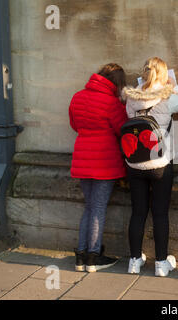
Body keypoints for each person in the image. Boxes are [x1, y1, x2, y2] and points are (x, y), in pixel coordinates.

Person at [122, 57, 178, 277]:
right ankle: (161, 264)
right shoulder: (168, 96)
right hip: (160, 164)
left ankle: (134, 262)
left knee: (137, 212)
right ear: (163, 75)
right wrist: (174, 86)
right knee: (160, 214)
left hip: (134, 163)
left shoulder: (131, 98)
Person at [69, 63, 128, 272]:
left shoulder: (77, 97)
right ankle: (93, 257)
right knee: (98, 208)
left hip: (82, 157)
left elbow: (75, 125)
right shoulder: (111, 102)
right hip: (104, 160)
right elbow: (123, 129)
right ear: (117, 83)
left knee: (89, 207)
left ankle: (81, 256)